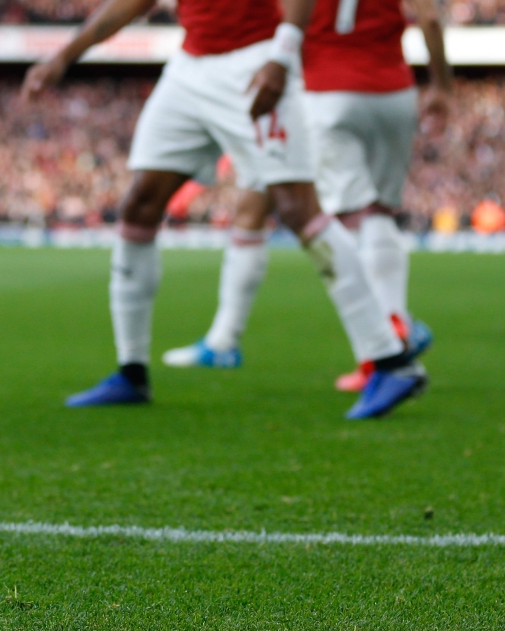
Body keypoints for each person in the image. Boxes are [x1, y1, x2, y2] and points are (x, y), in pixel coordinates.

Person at [22, 0, 426, 419]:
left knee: (298, 208)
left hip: (255, 62)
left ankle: (391, 362)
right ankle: (131, 371)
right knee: (139, 205)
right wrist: (64, 55)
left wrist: (282, 57)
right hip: (190, 67)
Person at [163, 0, 450, 394]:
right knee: (377, 211)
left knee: (333, 215)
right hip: (393, 92)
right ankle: (225, 338)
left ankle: (387, 336)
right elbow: (431, 18)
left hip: (322, 92)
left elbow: (276, 25)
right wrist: (442, 86)